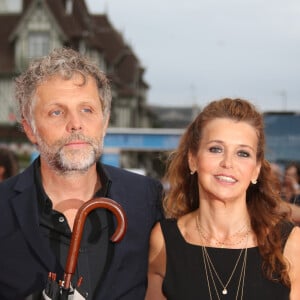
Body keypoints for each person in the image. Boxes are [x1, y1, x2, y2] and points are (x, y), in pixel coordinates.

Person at [0, 48, 163, 300]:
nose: (75, 123)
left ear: (105, 121)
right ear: (30, 129)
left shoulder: (147, 198)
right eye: (57, 112)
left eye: (87, 110)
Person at [145, 98, 300, 300]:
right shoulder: (164, 240)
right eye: (216, 149)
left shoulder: (290, 242)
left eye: (243, 153)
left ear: (256, 170)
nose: (228, 163)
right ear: (193, 159)